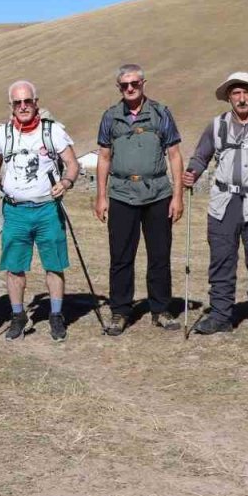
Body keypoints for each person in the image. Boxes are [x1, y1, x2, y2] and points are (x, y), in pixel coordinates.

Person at [182, 72, 248, 337]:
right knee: (221, 260)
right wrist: (192, 172)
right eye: (236, 93)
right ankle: (220, 315)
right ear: (229, 97)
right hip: (224, 202)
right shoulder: (216, 126)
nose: (241, 99)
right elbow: (200, 156)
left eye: (246, 93)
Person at [0, 81, 81, 343]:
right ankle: (17, 316)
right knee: (14, 267)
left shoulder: (53, 131)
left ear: (36, 102)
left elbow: (72, 163)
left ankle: (57, 315)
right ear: (11, 106)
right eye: (17, 102)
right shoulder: (3, 133)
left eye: (27, 101)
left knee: (54, 264)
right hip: (14, 210)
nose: (23, 106)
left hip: (48, 208)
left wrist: (66, 183)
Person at [94, 64, 185, 336]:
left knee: (159, 255)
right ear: (119, 88)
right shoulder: (110, 117)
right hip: (121, 194)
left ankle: (161, 309)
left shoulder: (160, 113)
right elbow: (104, 157)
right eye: (125, 85)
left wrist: (177, 195)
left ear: (144, 83)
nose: (130, 88)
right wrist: (101, 196)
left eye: (135, 83)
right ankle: (120, 311)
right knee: (121, 256)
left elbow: (175, 155)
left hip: (158, 193)